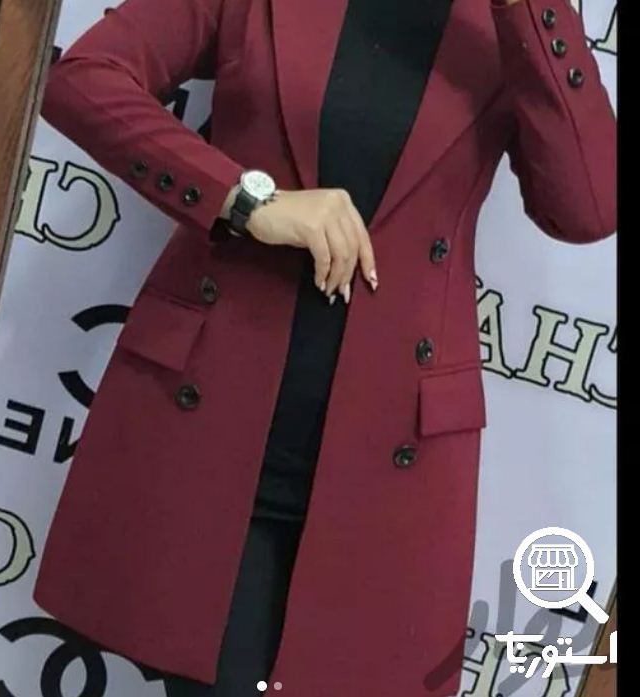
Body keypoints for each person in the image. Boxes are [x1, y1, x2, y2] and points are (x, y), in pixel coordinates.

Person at [33, 0, 616, 695]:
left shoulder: (509, 23)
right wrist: (246, 200)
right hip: (217, 432)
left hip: (390, 462)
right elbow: (84, 78)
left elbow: (587, 208)